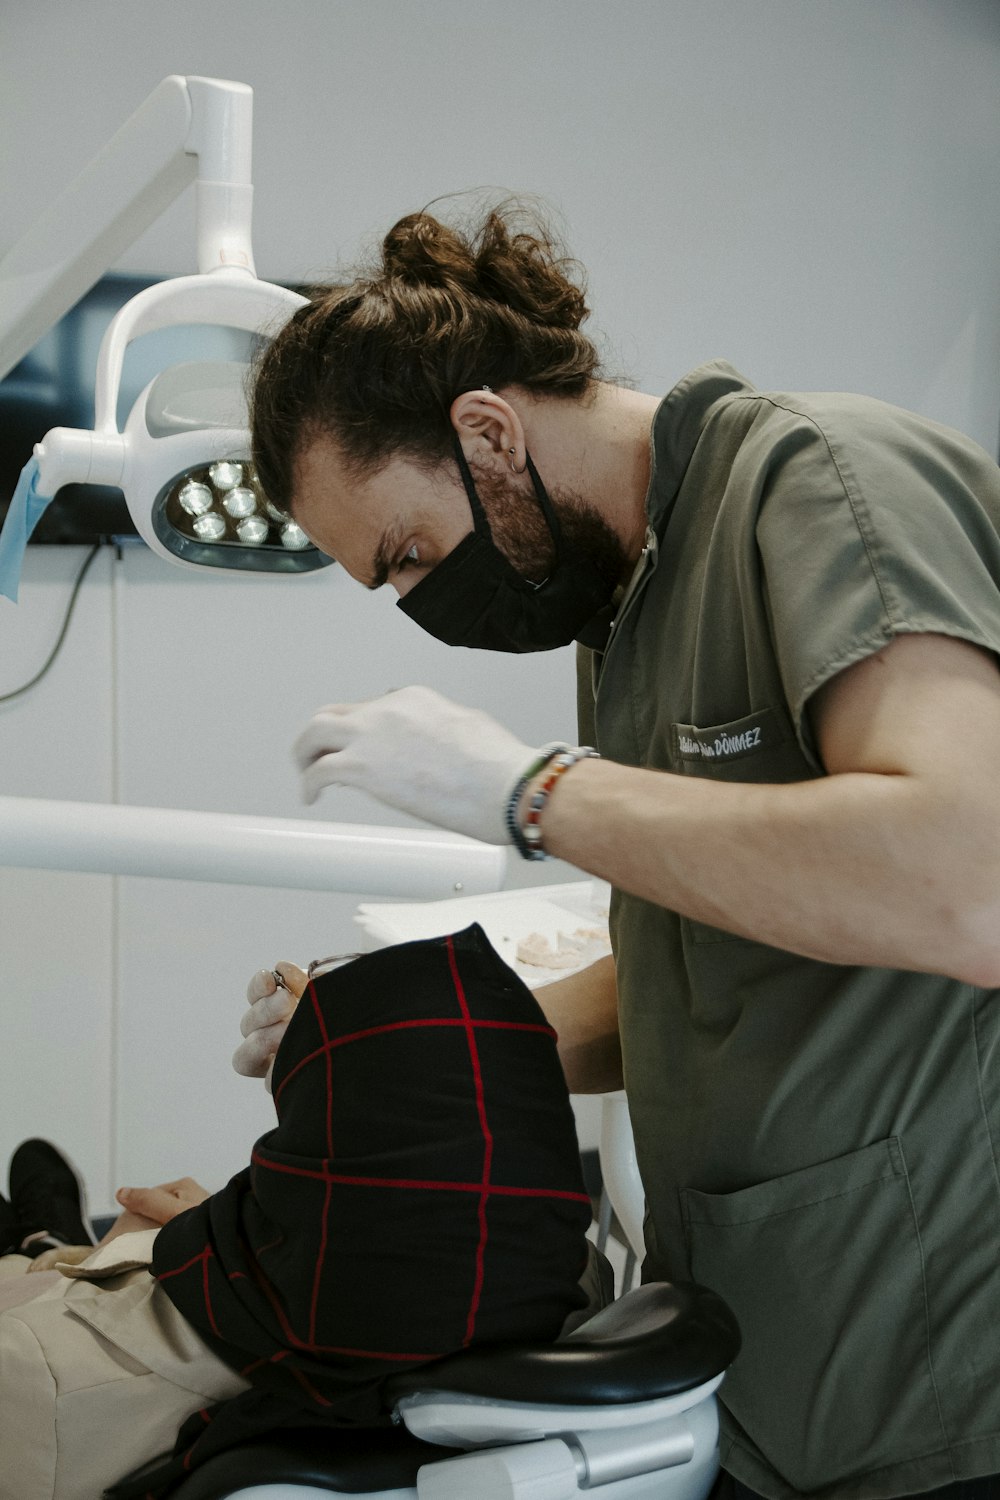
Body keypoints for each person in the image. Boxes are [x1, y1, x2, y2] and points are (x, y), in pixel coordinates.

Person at [236, 199, 1000, 1500]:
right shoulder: (626, 612)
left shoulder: (820, 482)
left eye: (409, 553)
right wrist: (391, 1047)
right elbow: (689, 964)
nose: (420, 602)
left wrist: (532, 792)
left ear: (488, 430)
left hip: (941, 1391)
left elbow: (966, 878)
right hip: (770, 1377)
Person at [0, 929, 597, 1500]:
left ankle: (44, 1245)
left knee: (44, 1264)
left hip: (53, 1348)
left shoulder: (37, 1371)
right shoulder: (575, 1289)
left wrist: (117, 1256)